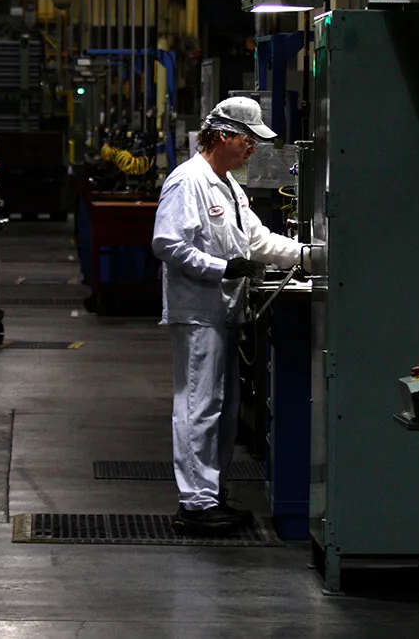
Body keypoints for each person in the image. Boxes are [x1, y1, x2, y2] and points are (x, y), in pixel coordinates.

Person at [151, 96, 314, 533]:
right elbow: (166, 243)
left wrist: (309, 256)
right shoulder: (188, 183)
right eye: (248, 141)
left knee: (221, 408)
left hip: (224, 312)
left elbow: (258, 242)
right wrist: (221, 268)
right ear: (224, 136)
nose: (252, 151)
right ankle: (195, 503)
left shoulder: (229, 187)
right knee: (198, 407)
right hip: (198, 312)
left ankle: (210, 492)